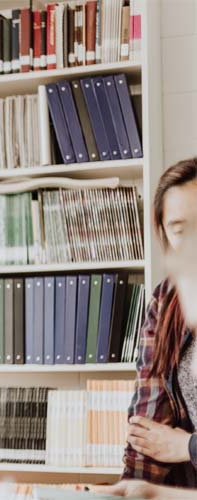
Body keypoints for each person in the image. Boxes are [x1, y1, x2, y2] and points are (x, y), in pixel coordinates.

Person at [121, 159, 197, 487]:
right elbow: (147, 428)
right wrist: (129, 490)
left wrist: (187, 446)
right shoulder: (166, 301)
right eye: (180, 230)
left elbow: (174, 444)